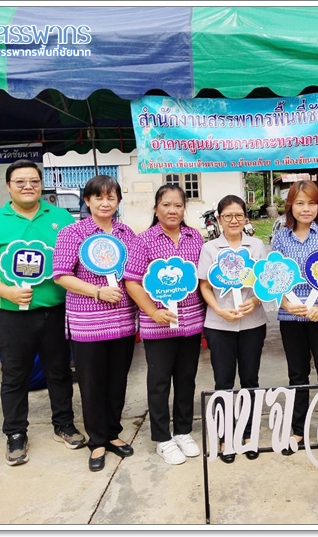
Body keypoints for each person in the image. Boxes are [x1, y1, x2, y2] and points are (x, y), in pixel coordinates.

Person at [0, 160, 86, 466]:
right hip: (9, 314)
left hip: (56, 311)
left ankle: (64, 424)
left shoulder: (61, 218)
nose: (27, 186)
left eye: (33, 181)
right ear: (8, 186)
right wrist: (6, 292)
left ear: (41, 184)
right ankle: (16, 433)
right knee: (14, 375)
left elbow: (77, 262)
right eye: (20, 181)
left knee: (59, 371)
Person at [53, 175, 138, 472]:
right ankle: (97, 440)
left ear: (118, 201)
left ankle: (113, 433)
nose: (105, 202)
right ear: (86, 200)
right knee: (91, 383)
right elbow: (62, 275)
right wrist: (97, 291)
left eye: (111, 197)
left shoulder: (127, 233)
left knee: (117, 381)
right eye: (98, 197)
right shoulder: (72, 233)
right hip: (88, 323)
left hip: (124, 322)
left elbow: (136, 274)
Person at [125, 185, 206, 465]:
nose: (172, 210)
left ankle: (183, 431)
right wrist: (153, 311)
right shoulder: (144, 240)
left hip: (191, 322)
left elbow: (203, 278)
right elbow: (132, 281)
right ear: (156, 208)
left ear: (185, 209)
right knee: (159, 382)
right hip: (156, 325)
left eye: (178, 205)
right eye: (166, 204)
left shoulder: (195, 237)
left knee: (186, 378)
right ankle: (162, 437)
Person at [271, 181, 318, 463]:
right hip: (291, 314)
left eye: (312, 203)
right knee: (297, 375)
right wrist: (285, 302)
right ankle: (298, 431)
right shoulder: (281, 236)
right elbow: (273, 275)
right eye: (300, 203)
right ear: (290, 205)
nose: (306, 209)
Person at [197, 195, 268, 464]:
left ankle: (248, 435)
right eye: (227, 216)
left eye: (238, 215)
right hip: (219, 324)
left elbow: (264, 282)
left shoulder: (257, 245)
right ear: (218, 219)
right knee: (223, 382)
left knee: (250, 380)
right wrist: (218, 309)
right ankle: (226, 436)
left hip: (252, 323)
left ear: (245, 217)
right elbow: (204, 285)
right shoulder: (210, 249)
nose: (233, 220)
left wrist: (254, 299)